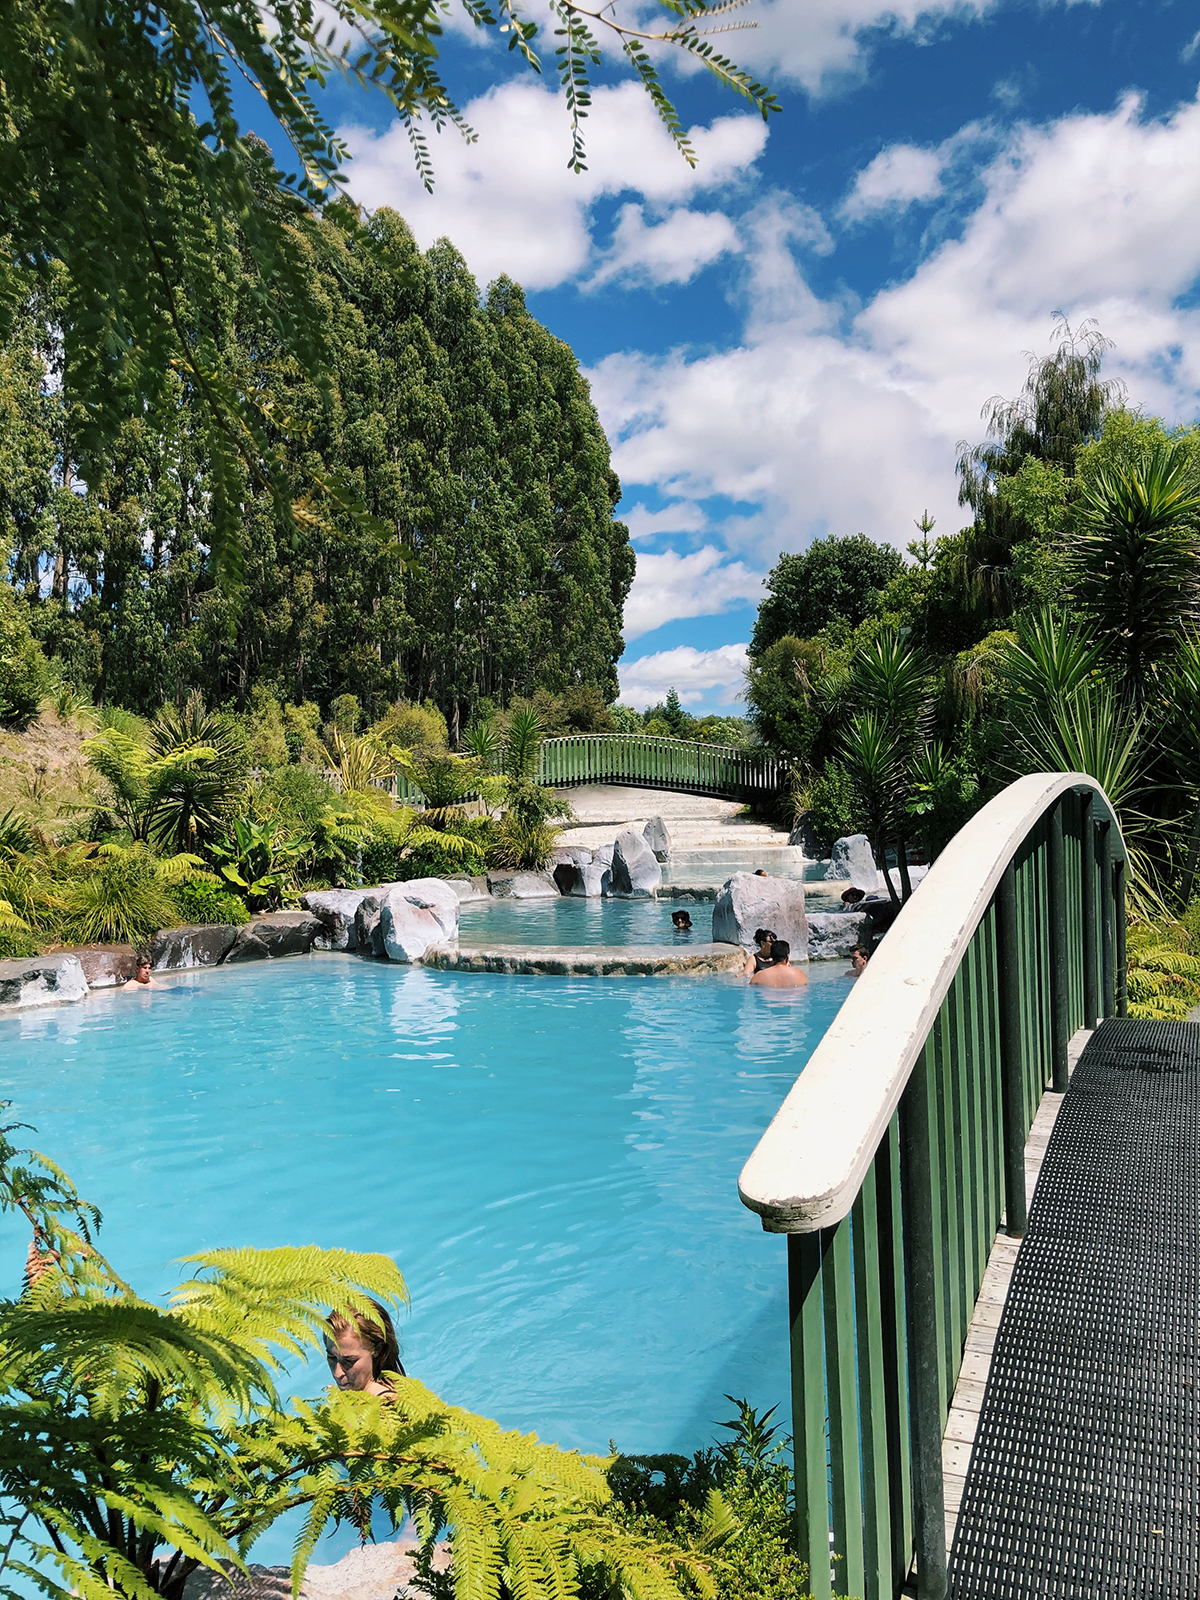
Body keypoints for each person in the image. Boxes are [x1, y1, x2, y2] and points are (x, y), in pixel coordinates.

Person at [326, 1299, 406, 1395]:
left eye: (349, 1361)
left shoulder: (386, 1406)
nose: (337, 1374)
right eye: (332, 1357)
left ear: (377, 1350)